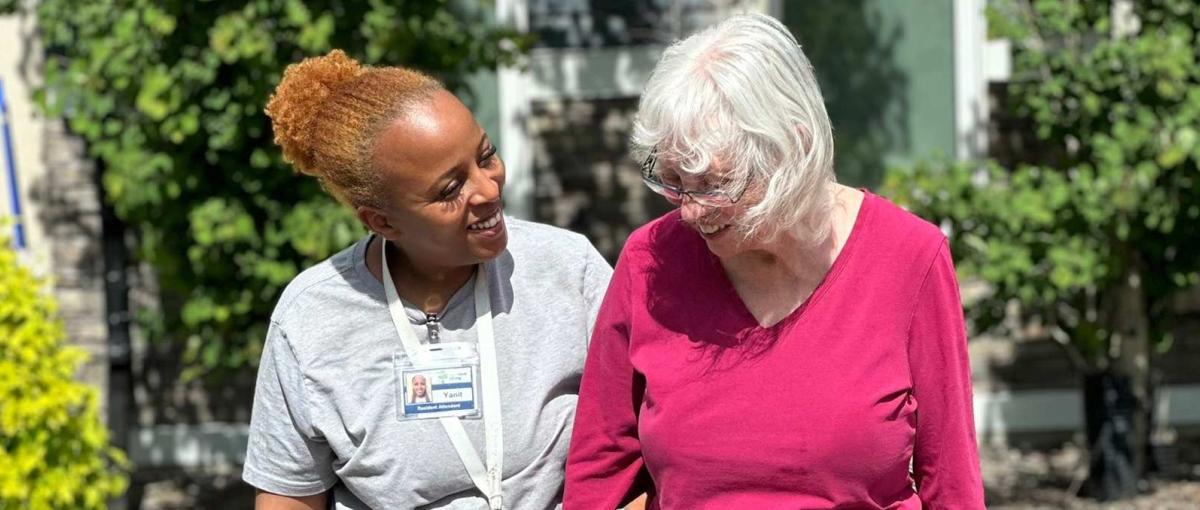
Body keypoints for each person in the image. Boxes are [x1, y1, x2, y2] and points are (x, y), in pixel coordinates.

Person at [564, 13, 984, 509]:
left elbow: (951, 485)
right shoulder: (650, 260)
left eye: (715, 185)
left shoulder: (910, 257)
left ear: (796, 148)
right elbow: (599, 468)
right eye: (675, 180)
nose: (691, 210)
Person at [244, 49, 612, 510]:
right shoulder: (310, 319)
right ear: (382, 222)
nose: (489, 189)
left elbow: (647, 438)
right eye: (450, 189)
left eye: (486, 156)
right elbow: (288, 497)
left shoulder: (567, 269)